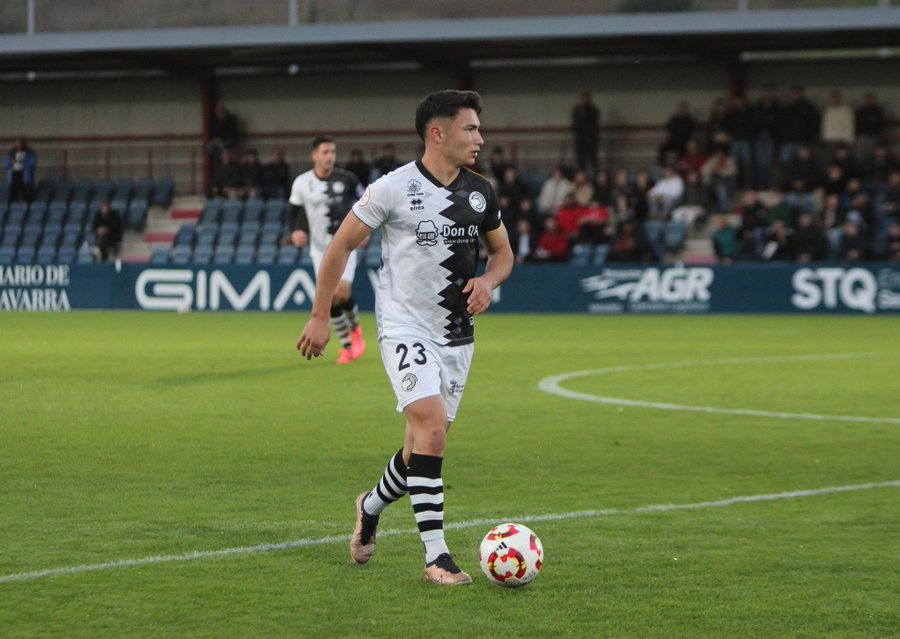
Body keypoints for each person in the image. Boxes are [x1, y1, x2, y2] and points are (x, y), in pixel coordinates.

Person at [297, 90, 513, 586]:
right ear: (437, 133)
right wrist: (319, 317)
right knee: (431, 428)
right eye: (470, 128)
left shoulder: (481, 192)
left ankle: (370, 506)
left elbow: (503, 255)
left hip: (457, 334)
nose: (479, 138)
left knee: (422, 448)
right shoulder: (392, 189)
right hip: (404, 327)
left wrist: (488, 280)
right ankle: (437, 557)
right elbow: (339, 246)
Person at [289, 135, 366, 365]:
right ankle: (348, 346)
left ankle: (356, 330)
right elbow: (293, 213)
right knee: (329, 298)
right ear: (314, 155)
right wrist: (295, 231)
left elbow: (368, 203)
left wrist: (365, 231)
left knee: (341, 291)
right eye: (325, 152)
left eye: (332, 152)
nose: (330, 156)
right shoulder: (302, 183)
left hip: (346, 246)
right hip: (318, 249)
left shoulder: (348, 179)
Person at [571, 92, 600, 176]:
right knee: (580, 162)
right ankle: (582, 177)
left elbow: (594, 125)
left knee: (593, 162)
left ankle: (595, 177)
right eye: (582, 100)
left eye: (585, 99)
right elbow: (574, 125)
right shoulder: (576, 111)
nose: (583, 101)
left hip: (591, 140)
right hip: (580, 141)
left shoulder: (593, 111)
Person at [4, 137, 38, 204]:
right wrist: (10, 162)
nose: (18, 145)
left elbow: (33, 162)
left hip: (24, 177)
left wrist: (21, 162)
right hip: (14, 177)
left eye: (20, 144)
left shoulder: (30, 152)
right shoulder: (11, 152)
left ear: (24, 144)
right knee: (13, 196)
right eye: (17, 144)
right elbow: (5, 162)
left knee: (26, 196)